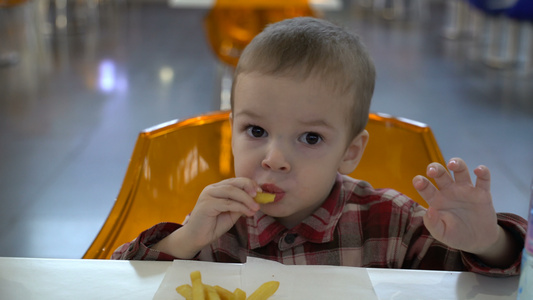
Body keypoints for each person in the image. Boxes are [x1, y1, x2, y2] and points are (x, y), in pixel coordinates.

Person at [112, 17, 527, 276]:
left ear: (350, 151)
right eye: (255, 131)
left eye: (310, 138)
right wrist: (182, 241)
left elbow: (487, 274)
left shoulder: (392, 223)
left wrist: (488, 240)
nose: (274, 160)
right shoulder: (217, 227)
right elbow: (117, 279)